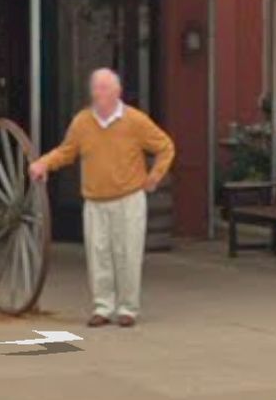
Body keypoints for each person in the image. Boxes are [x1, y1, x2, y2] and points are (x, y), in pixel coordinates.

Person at [29, 68, 174, 328]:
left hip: (128, 198)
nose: (99, 94)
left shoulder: (135, 121)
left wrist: (154, 176)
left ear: (117, 92)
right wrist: (44, 164)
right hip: (95, 199)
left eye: (105, 88)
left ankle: (128, 308)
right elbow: (66, 152)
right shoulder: (82, 122)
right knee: (98, 255)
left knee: (128, 254)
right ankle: (102, 307)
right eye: (96, 88)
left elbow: (165, 146)